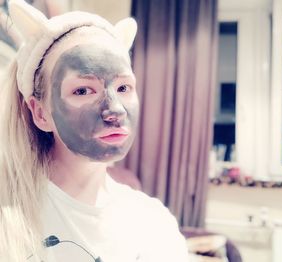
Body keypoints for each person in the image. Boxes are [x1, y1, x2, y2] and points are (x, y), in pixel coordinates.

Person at [0, 0, 189, 261]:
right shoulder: (7, 215)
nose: (116, 110)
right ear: (40, 113)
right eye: (82, 90)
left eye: (124, 88)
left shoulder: (154, 224)